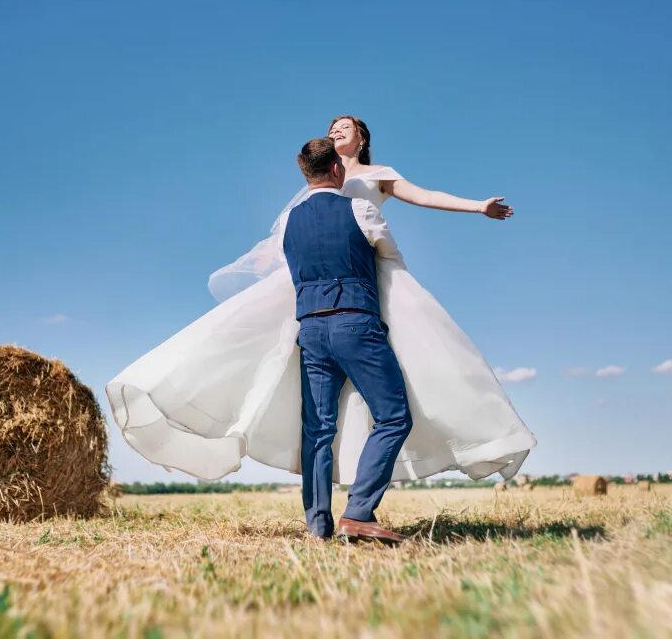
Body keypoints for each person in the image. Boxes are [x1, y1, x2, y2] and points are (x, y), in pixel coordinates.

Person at [106, 116, 535, 529]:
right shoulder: (309, 194)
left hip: (360, 277)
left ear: (361, 139)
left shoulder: (375, 174)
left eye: (344, 127)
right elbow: (282, 244)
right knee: (365, 413)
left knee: (347, 407)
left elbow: (424, 196)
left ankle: (325, 517)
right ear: (329, 160)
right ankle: (354, 510)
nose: (336, 130)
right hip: (337, 288)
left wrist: (478, 206)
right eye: (331, 128)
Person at [281, 137, 410, 542]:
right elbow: (390, 257)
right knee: (392, 416)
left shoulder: (290, 221)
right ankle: (358, 511)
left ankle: (318, 527)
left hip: (312, 330)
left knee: (318, 430)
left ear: (306, 173)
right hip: (356, 324)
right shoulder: (360, 207)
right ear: (337, 169)